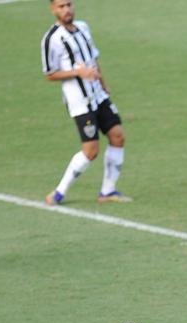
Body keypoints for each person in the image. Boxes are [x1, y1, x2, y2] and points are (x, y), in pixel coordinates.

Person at [41, 0, 129, 205]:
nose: (67, 9)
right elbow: (49, 74)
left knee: (117, 136)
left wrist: (103, 84)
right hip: (80, 102)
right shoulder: (51, 39)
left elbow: (93, 59)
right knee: (91, 151)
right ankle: (58, 193)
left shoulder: (83, 27)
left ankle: (107, 191)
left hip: (98, 95)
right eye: (61, 6)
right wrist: (77, 73)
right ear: (53, 9)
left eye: (69, 4)